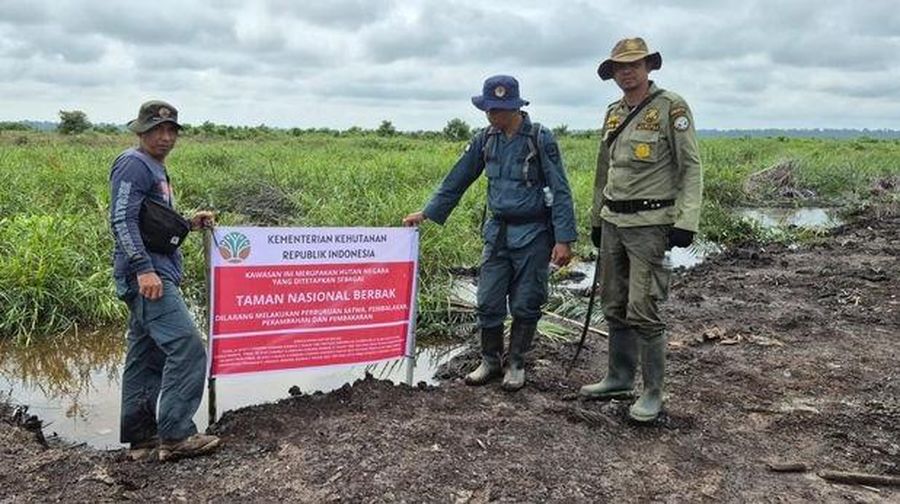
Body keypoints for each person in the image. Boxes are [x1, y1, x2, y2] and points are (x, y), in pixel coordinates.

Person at [403, 75, 577, 391]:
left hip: (534, 233)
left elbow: (560, 189)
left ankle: (516, 363)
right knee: (487, 299)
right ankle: (490, 360)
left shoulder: (540, 138)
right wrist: (427, 213)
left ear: (515, 107)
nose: (491, 115)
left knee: (526, 301)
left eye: (498, 109)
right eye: (488, 109)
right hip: (497, 232)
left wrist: (564, 239)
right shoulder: (486, 139)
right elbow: (457, 178)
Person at [579, 38, 703, 422]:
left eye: (634, 64)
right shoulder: (614, 113)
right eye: (620, 67)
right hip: (614, 221)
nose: (627, 72)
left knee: (642, 308)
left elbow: (691, 167)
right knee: (613, 303)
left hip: (650, 225)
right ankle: (618, 377)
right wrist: (597, 219)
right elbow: (605, 170)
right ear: (613, 73)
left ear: (648, 67)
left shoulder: (671, 108)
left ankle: (652, 392)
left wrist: (686, 221)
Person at [109, 100, 220, 461]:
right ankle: (175, 435)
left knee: (146, 356)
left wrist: (187, 223)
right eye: (157, 130)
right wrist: (143, 268)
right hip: (148, 278)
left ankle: (142, 441)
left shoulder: (155, 168)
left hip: (155, 272)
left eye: (171, 130)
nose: (165, 137)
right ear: (141, 131)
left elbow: (151, 224)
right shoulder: (133, 164)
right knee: (188, 347)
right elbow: (122, 220)